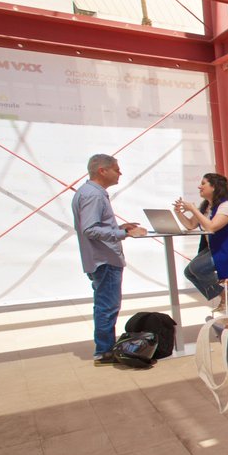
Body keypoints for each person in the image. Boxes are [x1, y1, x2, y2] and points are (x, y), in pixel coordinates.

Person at [72, 153, 147, 364]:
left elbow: (94, 227)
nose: (120, 172)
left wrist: (118, 228)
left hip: (100, 258)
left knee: (105, 304)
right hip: (104, 260)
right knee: (107, 306)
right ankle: (104, 350)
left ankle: (105, 348)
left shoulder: (89, 193)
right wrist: (124, 234)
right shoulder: (93, 195)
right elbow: (90, 229)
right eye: (116, 168)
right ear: (102, 171)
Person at [174, 173, 228, 311]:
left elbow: (212, 227)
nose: (199, 186)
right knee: (188, 272)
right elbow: (190, 225)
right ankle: (224, 296)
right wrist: (178, 213)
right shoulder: (207, 206)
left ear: (214, 187)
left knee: (196, 268)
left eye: (203, 183)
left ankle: (225, 296)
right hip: (217, 249)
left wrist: (194, 210)